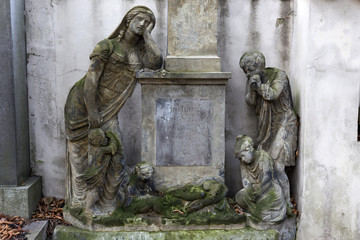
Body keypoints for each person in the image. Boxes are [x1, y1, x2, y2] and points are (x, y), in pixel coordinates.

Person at [64, 6, 163, 212]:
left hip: (109, 110)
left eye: (147, 22)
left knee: (117, 157)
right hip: (82, 103)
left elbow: (156, 63)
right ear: (127, 20)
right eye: (139, 19)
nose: (142, 23)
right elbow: (92, 78)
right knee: (81, 156)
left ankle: (109, 204)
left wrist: (148, 35)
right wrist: (92, 113)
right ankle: (81, 205)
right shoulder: (107, 46)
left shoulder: (140, 52)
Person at [239, 51, 298, 205]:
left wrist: (258, 87)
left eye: (249, 69)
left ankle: (287, 205)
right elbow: (251, 102)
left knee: (278, 168)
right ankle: (273, 202)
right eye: (245, 71)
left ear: (259, 65)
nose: (247, 73)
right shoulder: (253, 79)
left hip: (284, 123)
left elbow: (273, 94)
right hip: (267, 125)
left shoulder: (279, 75)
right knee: (267, 165)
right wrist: (252, 88)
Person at [234, 135, 287, 224]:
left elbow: (267, 180)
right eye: (240, 158)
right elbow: (245, 179)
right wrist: (250, 191)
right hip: (254, 191)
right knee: (239, 197)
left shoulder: (263, 157)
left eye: (243, 156)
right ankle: (256, 212)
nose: (242, 159)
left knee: (262, 209)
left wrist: (259, 192)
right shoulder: (243, 164)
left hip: (269, 190)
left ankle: (259, 213)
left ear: (249, 149)